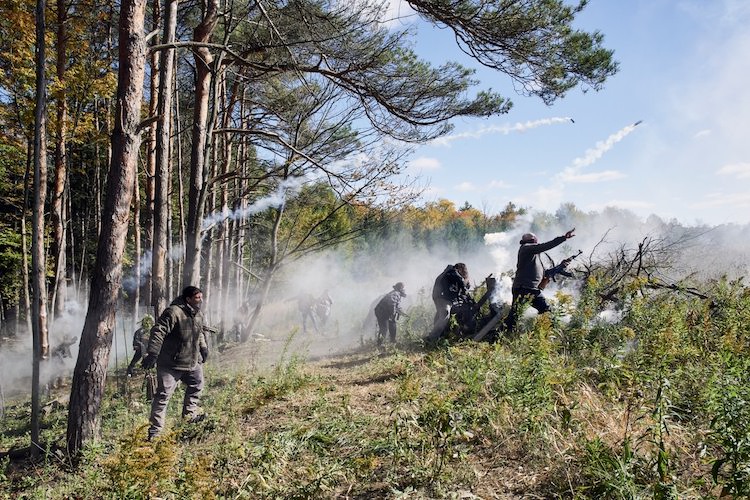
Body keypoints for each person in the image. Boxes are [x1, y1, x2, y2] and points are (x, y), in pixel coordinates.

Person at [142, 286, 209, 439]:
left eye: (201, 297)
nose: (201, 301)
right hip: (170, 365)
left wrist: (203, 348)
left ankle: (189, 419)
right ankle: (155, 434)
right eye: (197, 298)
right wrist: (153, 353)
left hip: (191, 362)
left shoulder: (197, 314)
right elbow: (158, 331)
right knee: (163, 396)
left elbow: (198, 334)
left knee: (197, 384)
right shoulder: (173, 312)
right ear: (188, 299)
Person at [503, 228, 576, 334]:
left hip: (526, 288)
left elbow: (544, 273)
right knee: (546, 311)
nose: (538, 243)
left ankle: (502, 334)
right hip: (526, 288)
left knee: (514, 315)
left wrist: (560, 266)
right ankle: (548, 334)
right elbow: (545, 246)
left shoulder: (533, 254)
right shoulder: (526, 248)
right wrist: (564, 238)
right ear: (533, 240)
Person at [425, 262, 470, 342]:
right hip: (443, 298)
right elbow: (462, 283)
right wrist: (465, 282)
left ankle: (441, 335)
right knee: (445, 314)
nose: (463, 273)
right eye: (463, 271)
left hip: (441, 297)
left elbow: (459, 289)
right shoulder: (453, 272)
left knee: (441, 315)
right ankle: (432, 338)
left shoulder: (449, 273)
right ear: (459, 268)